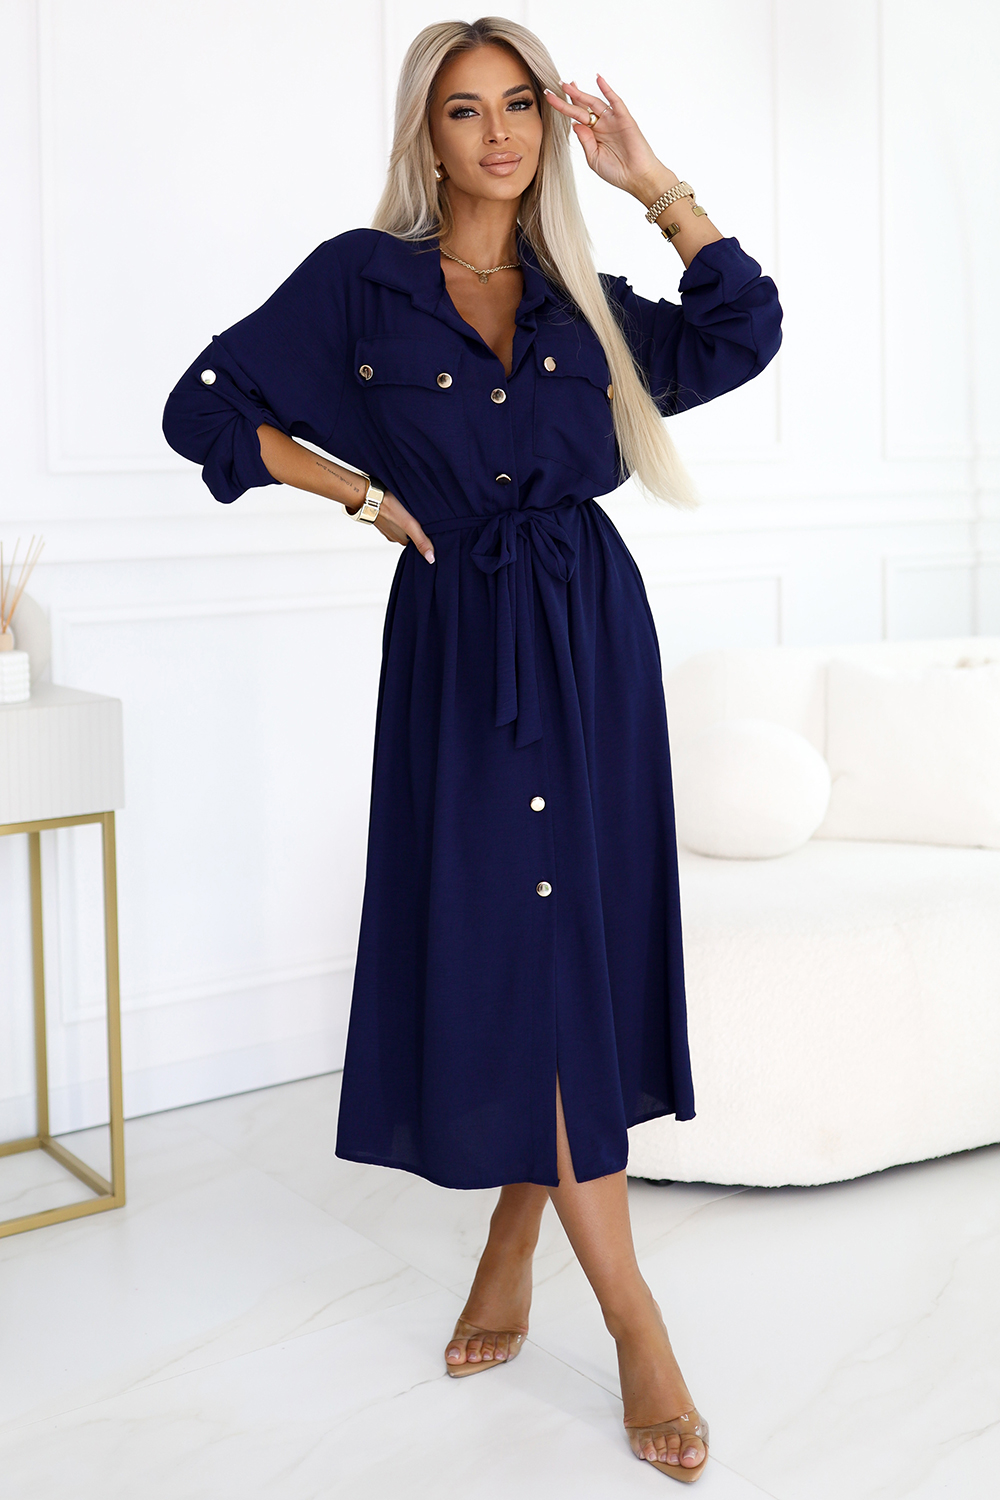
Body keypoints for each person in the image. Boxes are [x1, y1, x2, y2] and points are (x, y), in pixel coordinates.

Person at [163, 16, 781, 1483]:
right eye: (463, 109)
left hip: (591, 644)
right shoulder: (361, 283)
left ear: (548, 128)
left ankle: (519, 1233)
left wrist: (655, 183)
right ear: (426, 134)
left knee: (572, 943)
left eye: (519, 105)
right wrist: (360, 494)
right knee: (514, 939)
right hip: (460, 645)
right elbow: (205, 411)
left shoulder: (584, 301)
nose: (498, 131)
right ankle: (634, 1318)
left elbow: (743, 330)